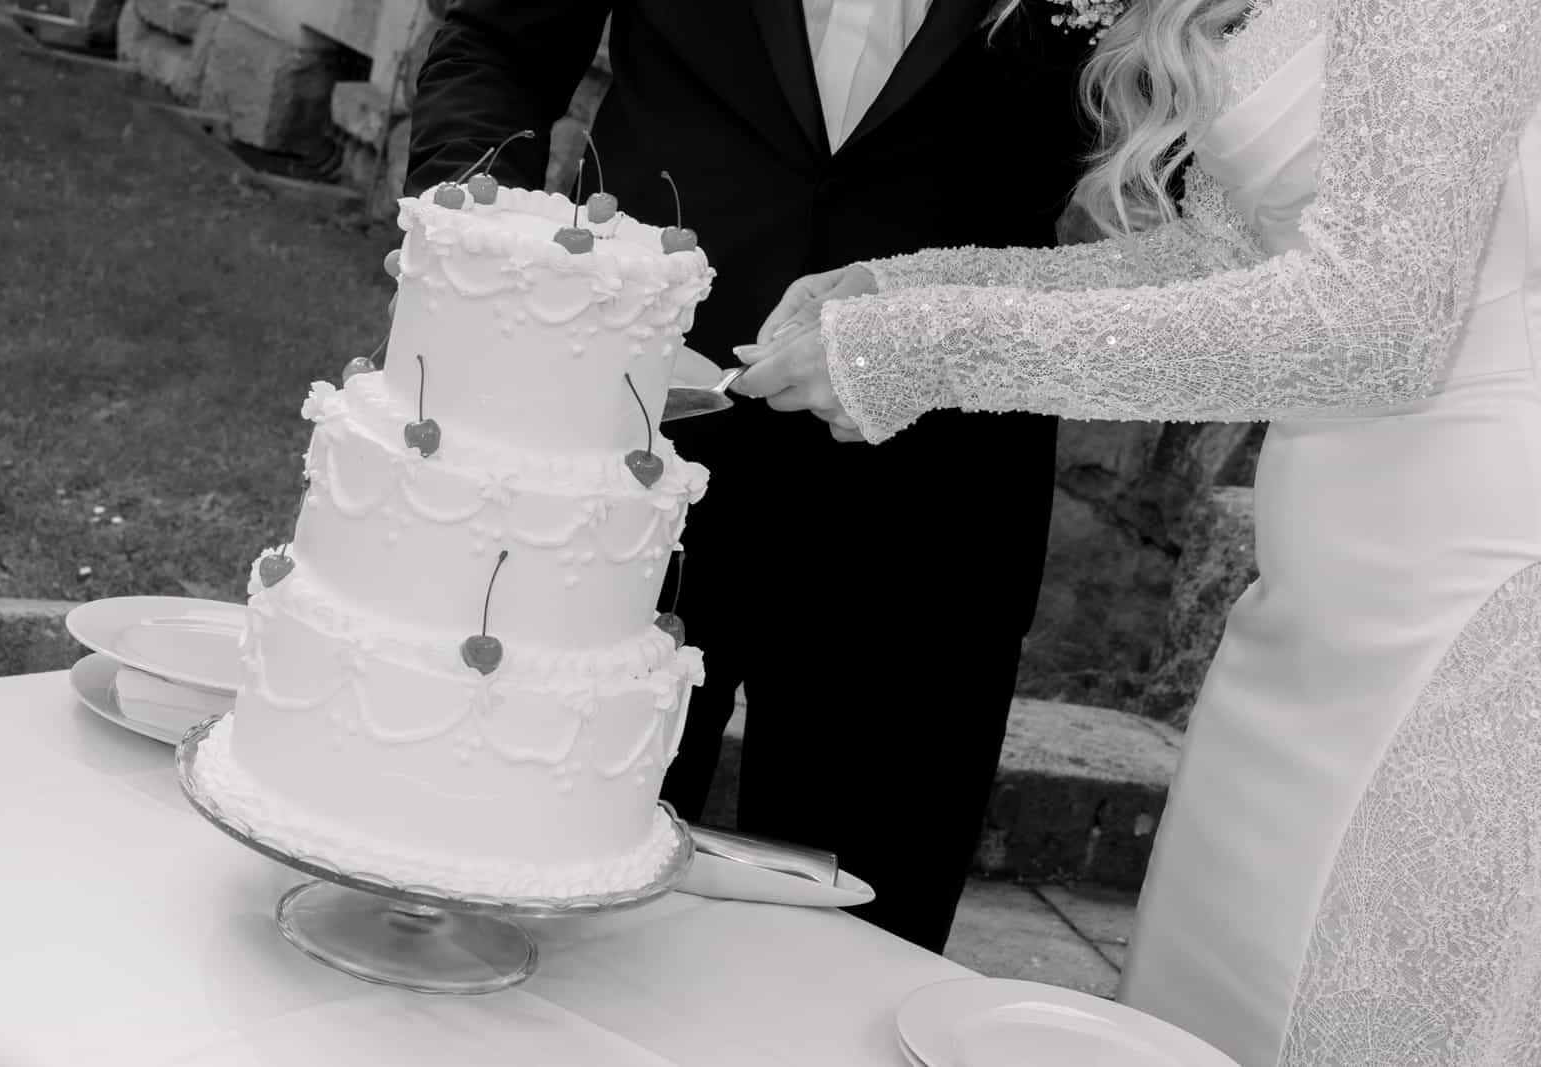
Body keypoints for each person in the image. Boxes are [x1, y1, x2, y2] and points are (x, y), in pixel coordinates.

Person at [736, 0, 1541, 1062]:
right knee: (1222, 975)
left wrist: (932, 349)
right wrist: (911, 282)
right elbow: (1228, 254)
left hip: (1462, 573)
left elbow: (1375, 329)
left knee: (1352, 985)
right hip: (1321, 576)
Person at [404, 2, 1094, 952]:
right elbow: (496, 41)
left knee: (854, 951)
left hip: (936, 497)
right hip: (625, 439)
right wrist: (478, 250)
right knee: (525, 901)